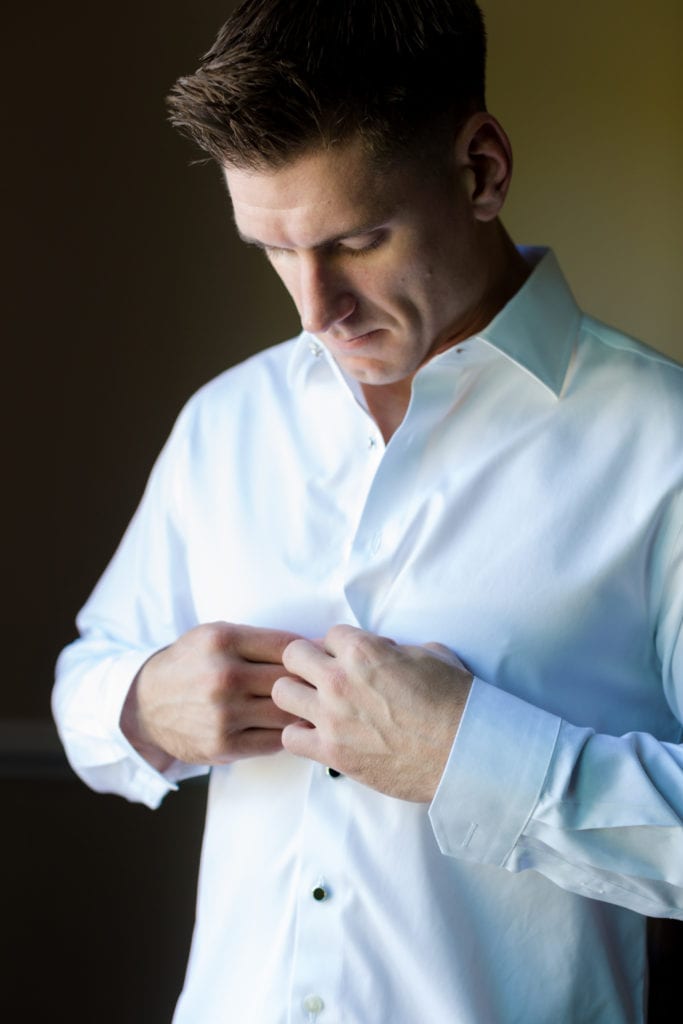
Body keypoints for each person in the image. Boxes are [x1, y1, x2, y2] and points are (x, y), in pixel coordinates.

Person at [53, 1, 683, 1021]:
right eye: (271, 248)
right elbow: (85, 679)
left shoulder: (663, 445)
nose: (313, 310)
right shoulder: (225, 423)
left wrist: (469, 757)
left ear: (479, 169)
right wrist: (141, 703)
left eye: (356, 240)